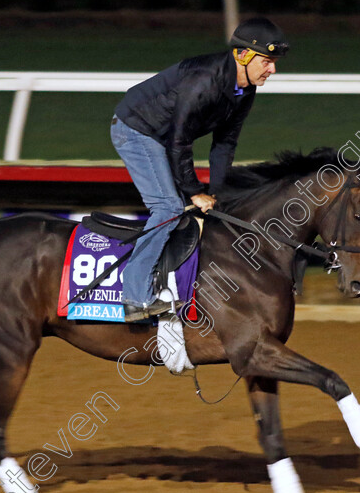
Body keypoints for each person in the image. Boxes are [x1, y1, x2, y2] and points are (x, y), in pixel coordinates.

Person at [112, 17, 289, 322]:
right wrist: (195, 192)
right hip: (137, 130)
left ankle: (172, 287)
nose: (273, 69)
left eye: (274, 62)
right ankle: (134, 299)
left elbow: (224, 144)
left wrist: (216, 193)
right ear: (242, 55)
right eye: (268, 61)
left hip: (166, 139)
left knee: (196, 211)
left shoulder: (244, 91)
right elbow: (179, 142)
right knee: (167, 208)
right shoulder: (203, 81)